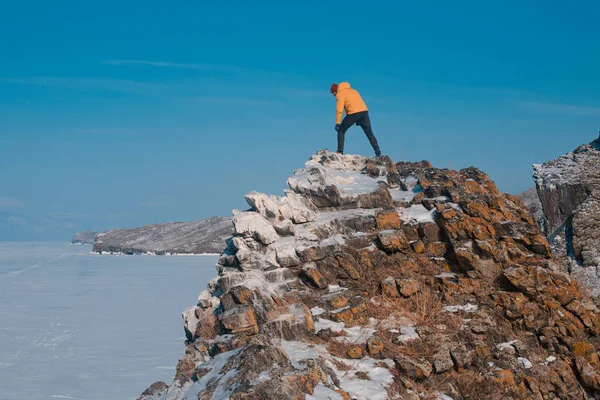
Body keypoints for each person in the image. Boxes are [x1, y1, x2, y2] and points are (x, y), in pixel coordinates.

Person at [330, 82, 381, 157]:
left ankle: (339, 152)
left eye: (333, 93)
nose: (334, 95)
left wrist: (338, 123)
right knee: (369, 133)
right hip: (364, 112)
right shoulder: (354, 90)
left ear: (335, 91)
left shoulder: (340, 93)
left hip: (354, 113)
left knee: (341, 130)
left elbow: (339, 109)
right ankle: (378, 152)